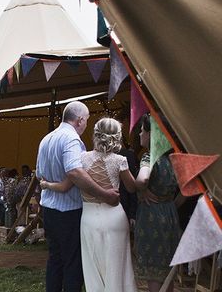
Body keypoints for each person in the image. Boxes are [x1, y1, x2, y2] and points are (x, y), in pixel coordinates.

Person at [40, 117, 138, 291]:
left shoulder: (82, 159)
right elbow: (131, 188)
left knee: (92, 267)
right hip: (114, 216)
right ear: (117, 137)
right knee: (116, 266)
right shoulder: (120, 161)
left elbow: (64, 187)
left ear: (96, 135)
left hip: (89, 218)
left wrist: (47, 185)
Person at [134, 114, 181, 292]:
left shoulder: (149, 156)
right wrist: (169, 204)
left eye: (142, 130)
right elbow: (186, 190)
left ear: (151, 134)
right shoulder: (173, 158)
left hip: (151, 215)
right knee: (167, 269)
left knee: (154, 270)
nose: (139, 134)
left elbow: (143, 178)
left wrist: (140, 188)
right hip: (170, 214)